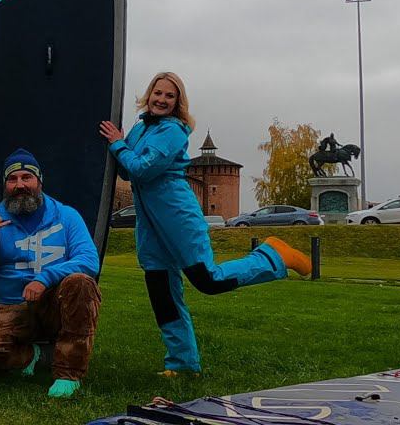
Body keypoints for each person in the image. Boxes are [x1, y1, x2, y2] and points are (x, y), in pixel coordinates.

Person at [99, 72, 312, 377]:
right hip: (150, 221)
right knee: (161, 289)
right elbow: (126, 171)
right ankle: (182, 363)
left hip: (176, 214)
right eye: (157, 93)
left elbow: (143, 169)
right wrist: (121, 144)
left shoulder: (173, 131)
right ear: (149, 94)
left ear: (178, 103)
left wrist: (119, 145)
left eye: (169, 96)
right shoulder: (140, 127)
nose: (161, 100)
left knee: (207, 280)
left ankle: (273, 255)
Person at [0, 149, 101, 399]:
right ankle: (38, 355)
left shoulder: (67, 216)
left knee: (81, 283)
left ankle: (68, 374)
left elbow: (89, 260)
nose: (20, 185)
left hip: (55, 306)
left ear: (39, 181)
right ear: (5, 185)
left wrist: (45, 278)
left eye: (27, 177)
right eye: (12, 179)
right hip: (11, 307)